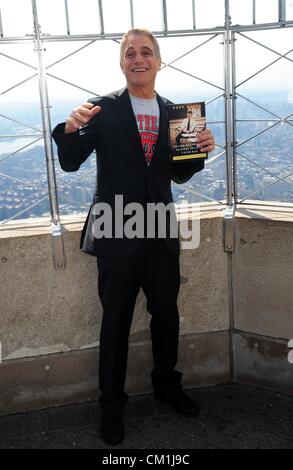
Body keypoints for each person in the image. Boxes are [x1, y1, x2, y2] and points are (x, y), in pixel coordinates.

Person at [52, 28, 215, 446]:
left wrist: (198, 153)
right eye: (129, 53)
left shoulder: (177, 114)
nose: (137, 58)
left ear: (159, 61)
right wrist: (69, 129)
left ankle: (167, 385)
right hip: (116, 227)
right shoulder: (103, 109)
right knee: (116, 323)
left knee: (167, 315)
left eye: (146, 52)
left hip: (159, 228)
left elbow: (178, 173)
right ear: (122, 63)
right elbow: (70, 163)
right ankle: (111, 405)